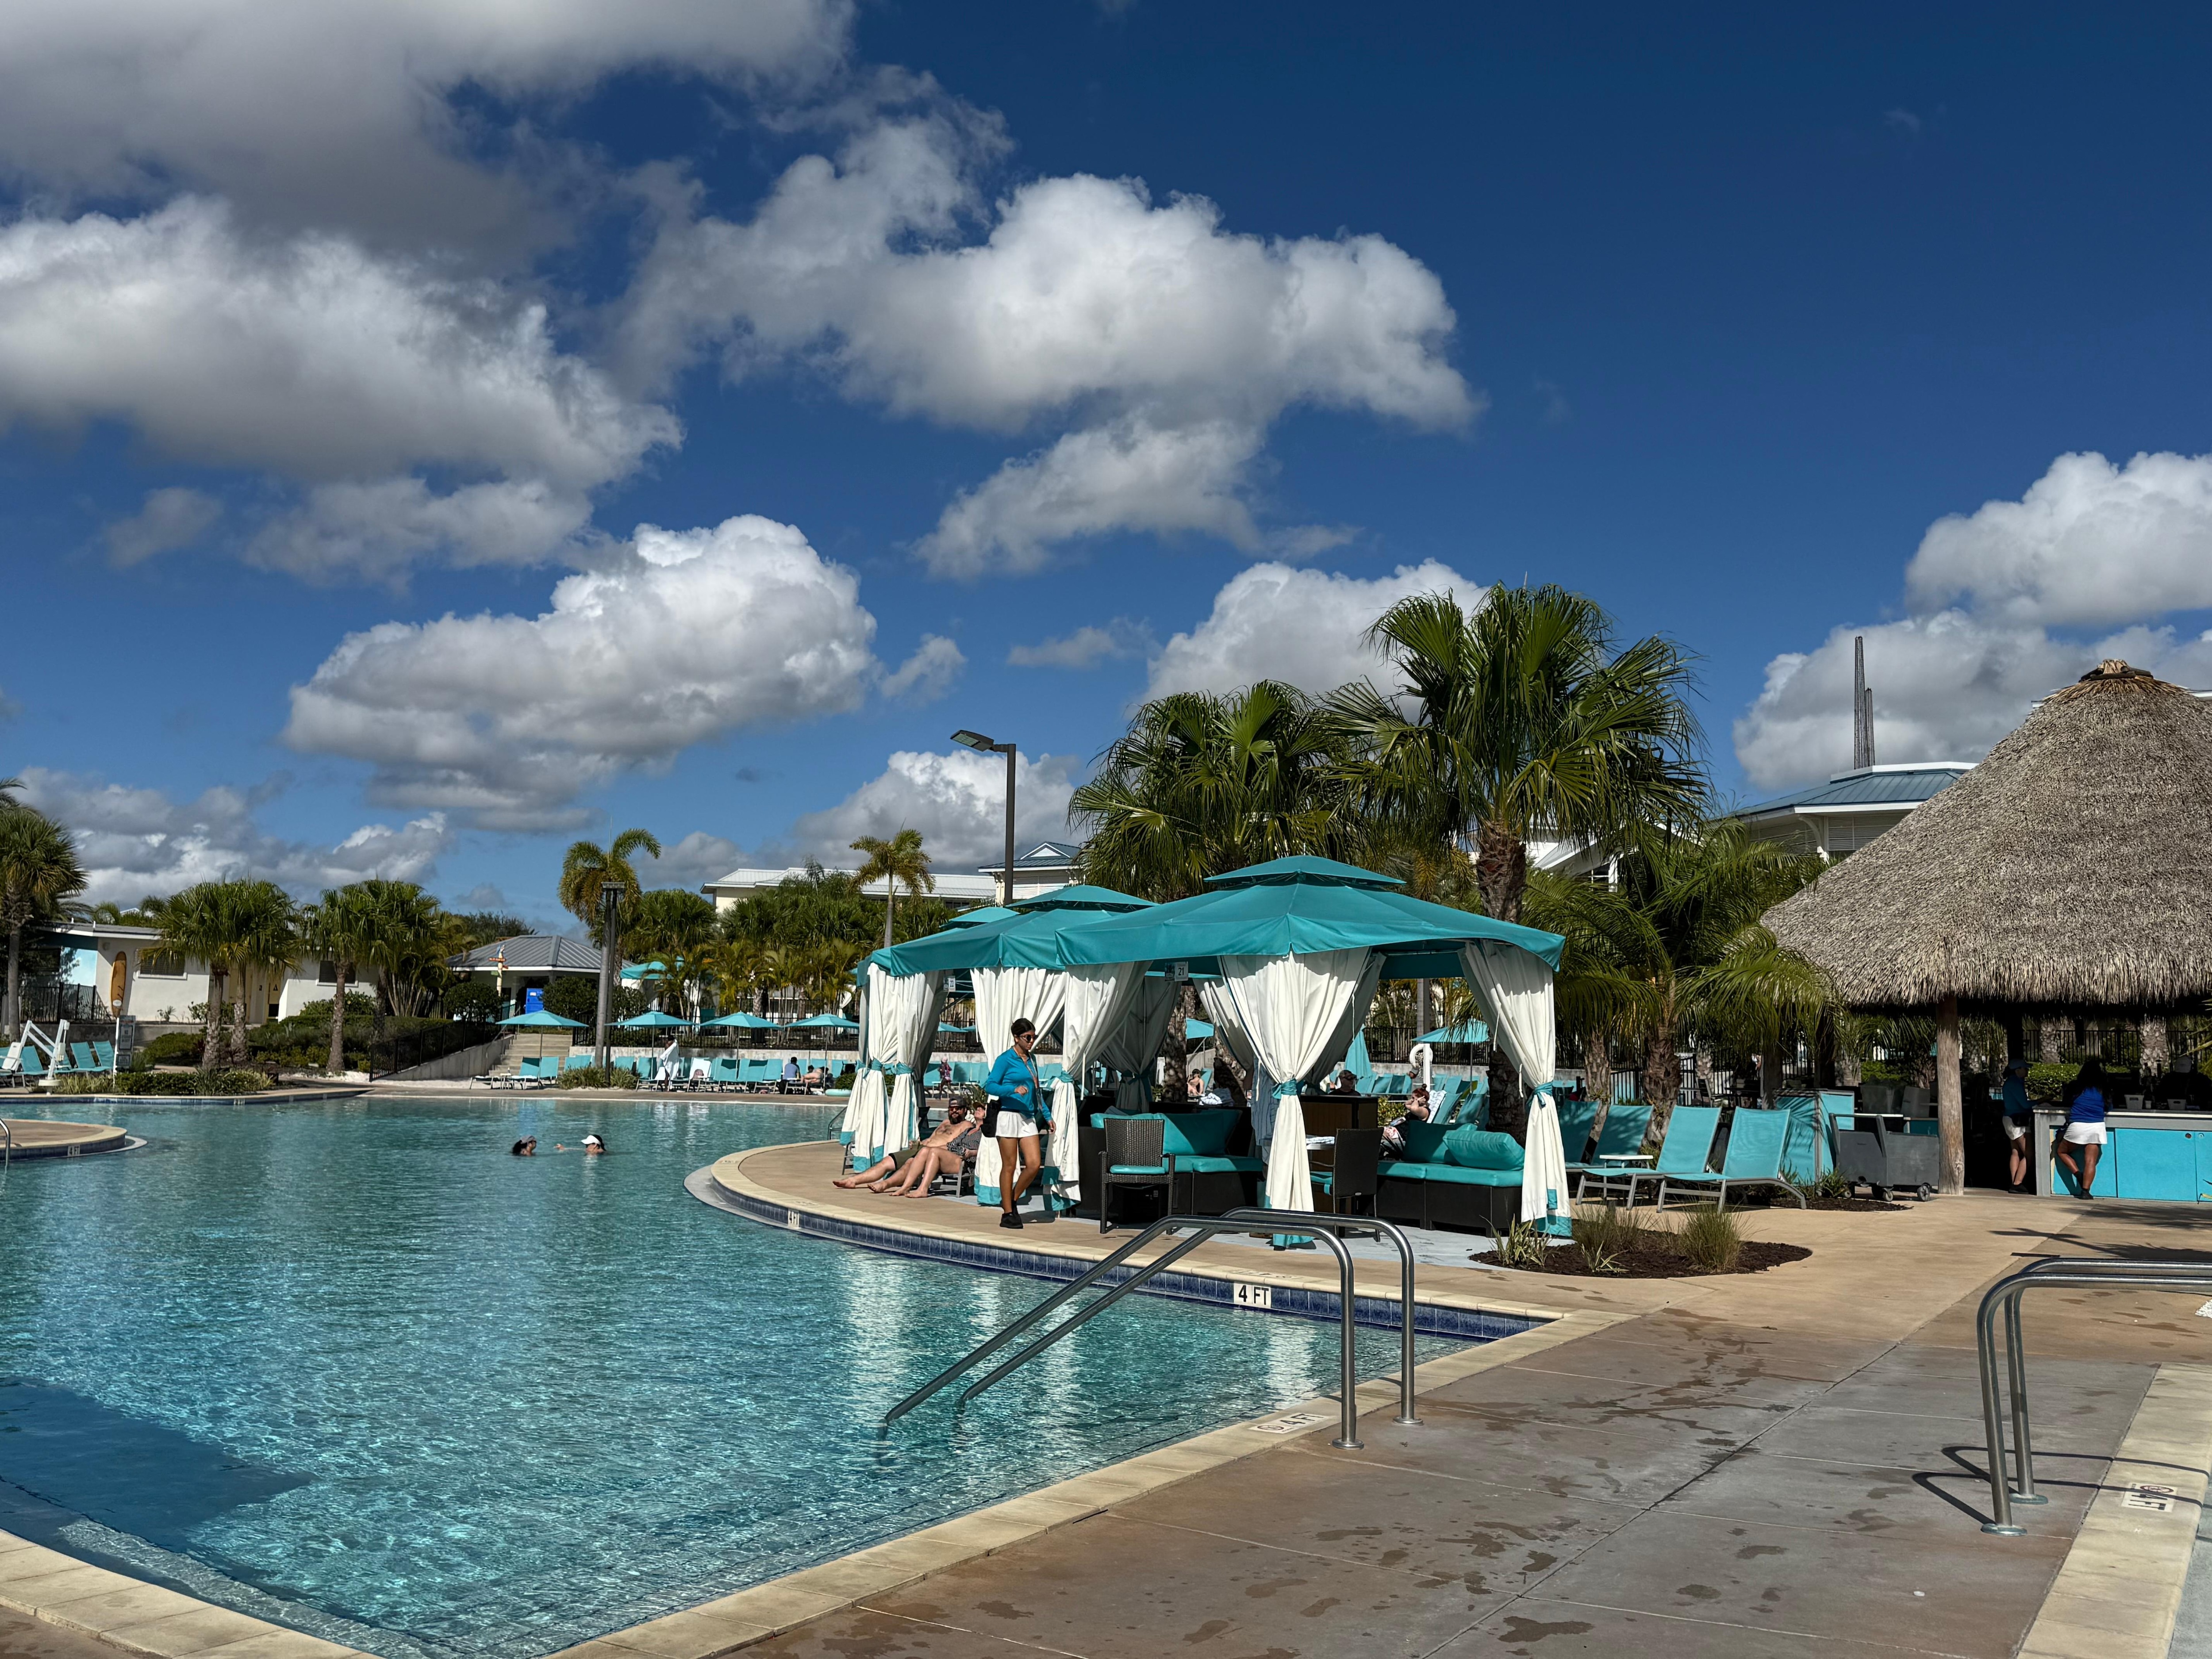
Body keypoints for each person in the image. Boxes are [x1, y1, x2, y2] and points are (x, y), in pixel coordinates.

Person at [984, 1017, 1048, 1229]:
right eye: (1028, 1037)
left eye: (1034, 1037)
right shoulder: (1005, 1059)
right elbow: (990, 1085)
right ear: (1016, 1038)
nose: (1031, 1041)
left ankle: (1010, 1200)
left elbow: (1037, 1092)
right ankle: (1009, 1212)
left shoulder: (1032, 1060)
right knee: (1010, 1166)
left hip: (1027, 1117)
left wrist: (1047, 1116)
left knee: (1033, 1164)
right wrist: (1012, 1090)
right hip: (1008, 1115)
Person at [881, 1104, 982, 1197]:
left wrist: (972, 1152)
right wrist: (929, 1148)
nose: (978, 1109)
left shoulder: (986, 1133)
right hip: (953, 1156)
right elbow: (951, 1145)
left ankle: (923, 1190)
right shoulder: (968, 1131)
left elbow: (986, 1151)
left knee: (934, 1152)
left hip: (966, 1161)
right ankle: (906, 1187)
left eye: (982, 1109)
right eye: (978, 1108)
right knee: (925, 1151)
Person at [2052, 1059, 2108, 1197]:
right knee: (2091, 1160)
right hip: (2097, 1126)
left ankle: (2078, 1174)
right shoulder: (2103, 1088)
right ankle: (2086, 1191)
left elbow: (2067, 1103)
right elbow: (2109, 1106)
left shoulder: (2076, 1086)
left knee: (2062, 1151)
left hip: (2078, 1125)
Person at [1999, 1059, 2034, 1191]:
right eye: (2025, 1069)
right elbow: (2025, 1104)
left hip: (2009, 1119)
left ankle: (2014, 1182)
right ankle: (2018, 1183)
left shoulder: (2010, 1082)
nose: (2027, 1071)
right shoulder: (2015, 1083)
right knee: (2029, 1154)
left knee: (2015, 1152)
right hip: (2018, 1121)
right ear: (2018, 1070)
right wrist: (2042, 1100)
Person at [1382, 1085, 1432, 1154]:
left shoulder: (1425, 1111)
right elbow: (1407, 1105)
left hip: (1402, 1137)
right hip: (1397, 1132)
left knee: (1376, 1139)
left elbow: (1413, 1109)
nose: (1412, 1100)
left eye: (1413, 1098)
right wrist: (1414, 1100)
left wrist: (1417, 1101)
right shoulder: (1417, 1108)